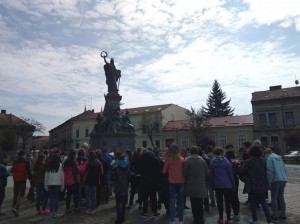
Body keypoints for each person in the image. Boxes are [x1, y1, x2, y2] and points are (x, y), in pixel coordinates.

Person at [239, 145, 272, 224]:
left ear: (251, 153)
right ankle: (269, 221)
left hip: (252, 185)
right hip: (262, 183)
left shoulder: (248, 161)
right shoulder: (263, 160)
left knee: (253, 203)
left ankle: (255, 220)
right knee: (263, 203)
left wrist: (239, 165)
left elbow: (241, 171)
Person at [183, 146, 208, 224]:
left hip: (191, 184)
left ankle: (195, 218)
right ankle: (200, 218)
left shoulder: (187, 161)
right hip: (200, 184)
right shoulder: (202, 160)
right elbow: (207, 173)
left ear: (190, 152)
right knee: (200, 202)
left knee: (193, 203)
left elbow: (184, 173)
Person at [210, 147, 235, 224]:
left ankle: (221, 218)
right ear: (221, 153)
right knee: (227, 202)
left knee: (220, 202)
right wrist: (233, 184)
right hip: (227, 184)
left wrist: (212, 184)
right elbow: (230, 174)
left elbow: (211, 175)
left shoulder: (212, 162)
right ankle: (228, 219)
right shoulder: (226, 161)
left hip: (218, 185)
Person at [162, 145, 185, 224]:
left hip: (172, 183)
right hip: (181, 182)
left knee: (172, 201)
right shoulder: (182, 159)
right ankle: (181, 220)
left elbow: (164, 171)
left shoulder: (168, 159)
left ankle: (172, 220)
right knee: (180, 202)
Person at [264, 148, 288, 222]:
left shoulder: (269, 158)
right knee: (281, 197)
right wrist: (285, 179)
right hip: (283, 179)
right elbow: (285, 169)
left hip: (275, 180)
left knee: (274, 198)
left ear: (266, 154)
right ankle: (283, 215)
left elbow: (270, 171)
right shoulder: (279, 158)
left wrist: (269, 182)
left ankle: (274, 216)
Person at [139, 148, 161, 218]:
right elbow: (159, 167)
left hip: (144, 180)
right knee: (153, 196)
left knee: (145, 197)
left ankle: (144, 212)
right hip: (153, 180)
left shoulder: (142, 159)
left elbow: (139, 168)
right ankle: (154, 212)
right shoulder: (155, 158)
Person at [11, 150, 33, 217]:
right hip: (22, 180)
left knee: (15, 194)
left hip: (15, 180)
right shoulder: (26, 162)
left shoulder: (15, 162)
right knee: (22, 195)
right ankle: (16, 208)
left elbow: (12, 170)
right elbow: (28, 171)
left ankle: (13, 207)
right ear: (23, 155)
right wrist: (31, 178)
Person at [44, 154, 64, 218]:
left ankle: (50, 213)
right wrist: (63, 186)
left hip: (50, 183)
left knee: (51, 199)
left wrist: (45, 186)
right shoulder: (60, 166)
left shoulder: (49, 165)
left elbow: (46, 176)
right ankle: (55, 213)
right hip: (58, 184)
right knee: (56, 199)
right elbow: (62, 177)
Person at [112, 152, 130, 224]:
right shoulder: (127, 168)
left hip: (118, 188)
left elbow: (114, 178)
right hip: (124, 187)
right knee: (123, 204)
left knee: (118, 204)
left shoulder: (116, 168)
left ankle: (118, 219)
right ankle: (123, 217)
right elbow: (129, 178)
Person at [225, 150, 241, 221]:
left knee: (232, 198)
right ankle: (237, 212)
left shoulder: (229, 162)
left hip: (231, 180)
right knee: (235, 197)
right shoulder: (236, 161)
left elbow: (232, 171)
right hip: (236, 180)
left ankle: (236, 214)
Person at [63, 150, 80, 214]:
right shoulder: (74, 162)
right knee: (76, 195)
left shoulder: (66, 162)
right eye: (76, 154)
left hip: (68, 180)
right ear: (74, 155)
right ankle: (76, 208)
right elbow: (76, 171)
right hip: (74, 180)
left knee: (68, 195)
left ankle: (67, 209)